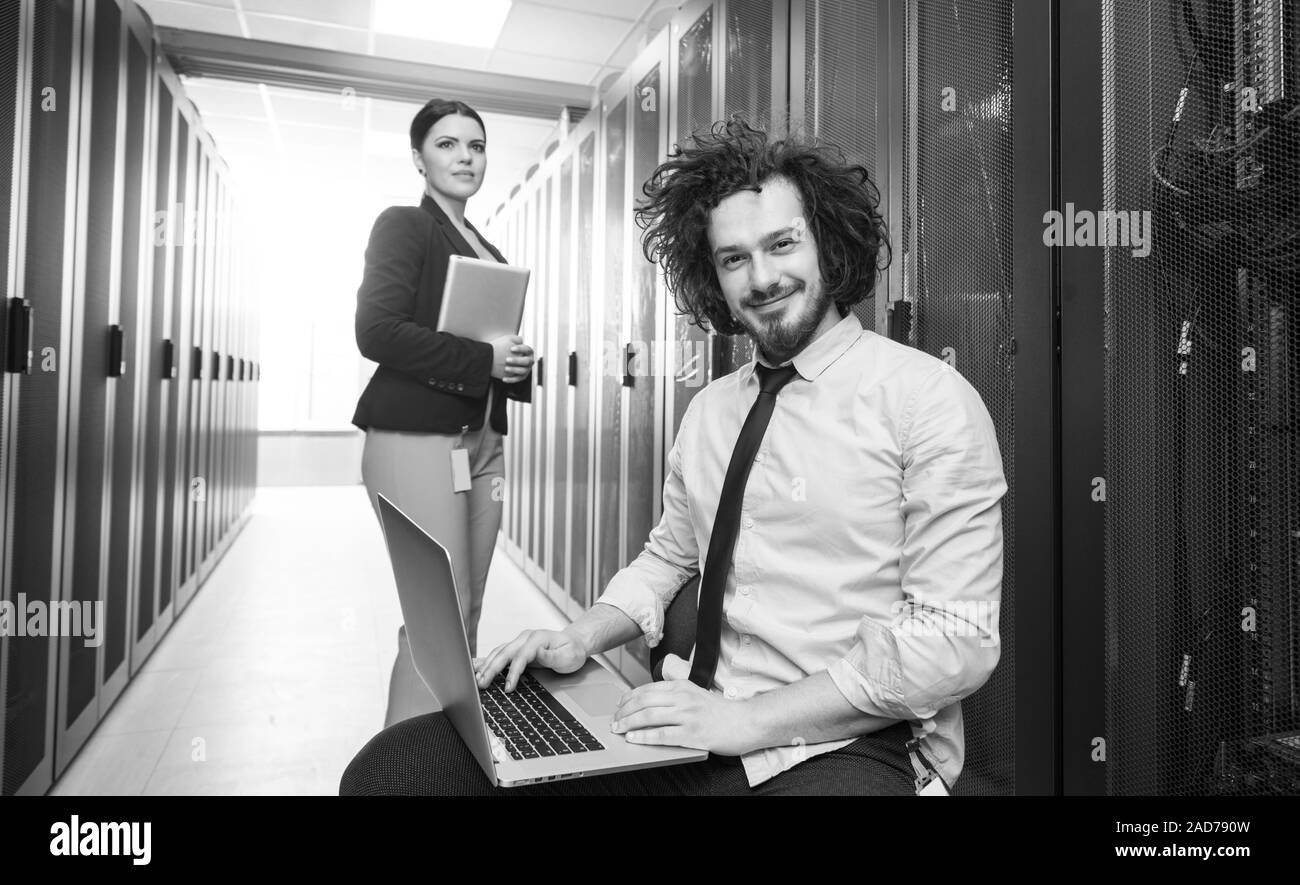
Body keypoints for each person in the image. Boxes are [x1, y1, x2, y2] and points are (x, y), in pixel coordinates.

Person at [341, 116, 1005, 795]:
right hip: (692, 720)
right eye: (734, 258)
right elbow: (669, 557)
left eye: (782, 244)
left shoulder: (928, 400)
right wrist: (581, 635)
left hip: (850, 738)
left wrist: (748, 720)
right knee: (392, 772)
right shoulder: (712, 410)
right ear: (711, 277)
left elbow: (954, 638)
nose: (763, 277)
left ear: (828, 245)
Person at [352, 97, 535, 728]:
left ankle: (452, 762)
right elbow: (376, 331)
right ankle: (403, 773)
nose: (465, 157)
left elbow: (485, 349)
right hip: (416, 440)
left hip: (483, 445)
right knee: (440, 618)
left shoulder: (487, 247)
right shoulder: (405, 225)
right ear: (418, 158)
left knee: (467, 611)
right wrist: (480, 357)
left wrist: (512, 363)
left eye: (476, 146)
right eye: (448, 144)